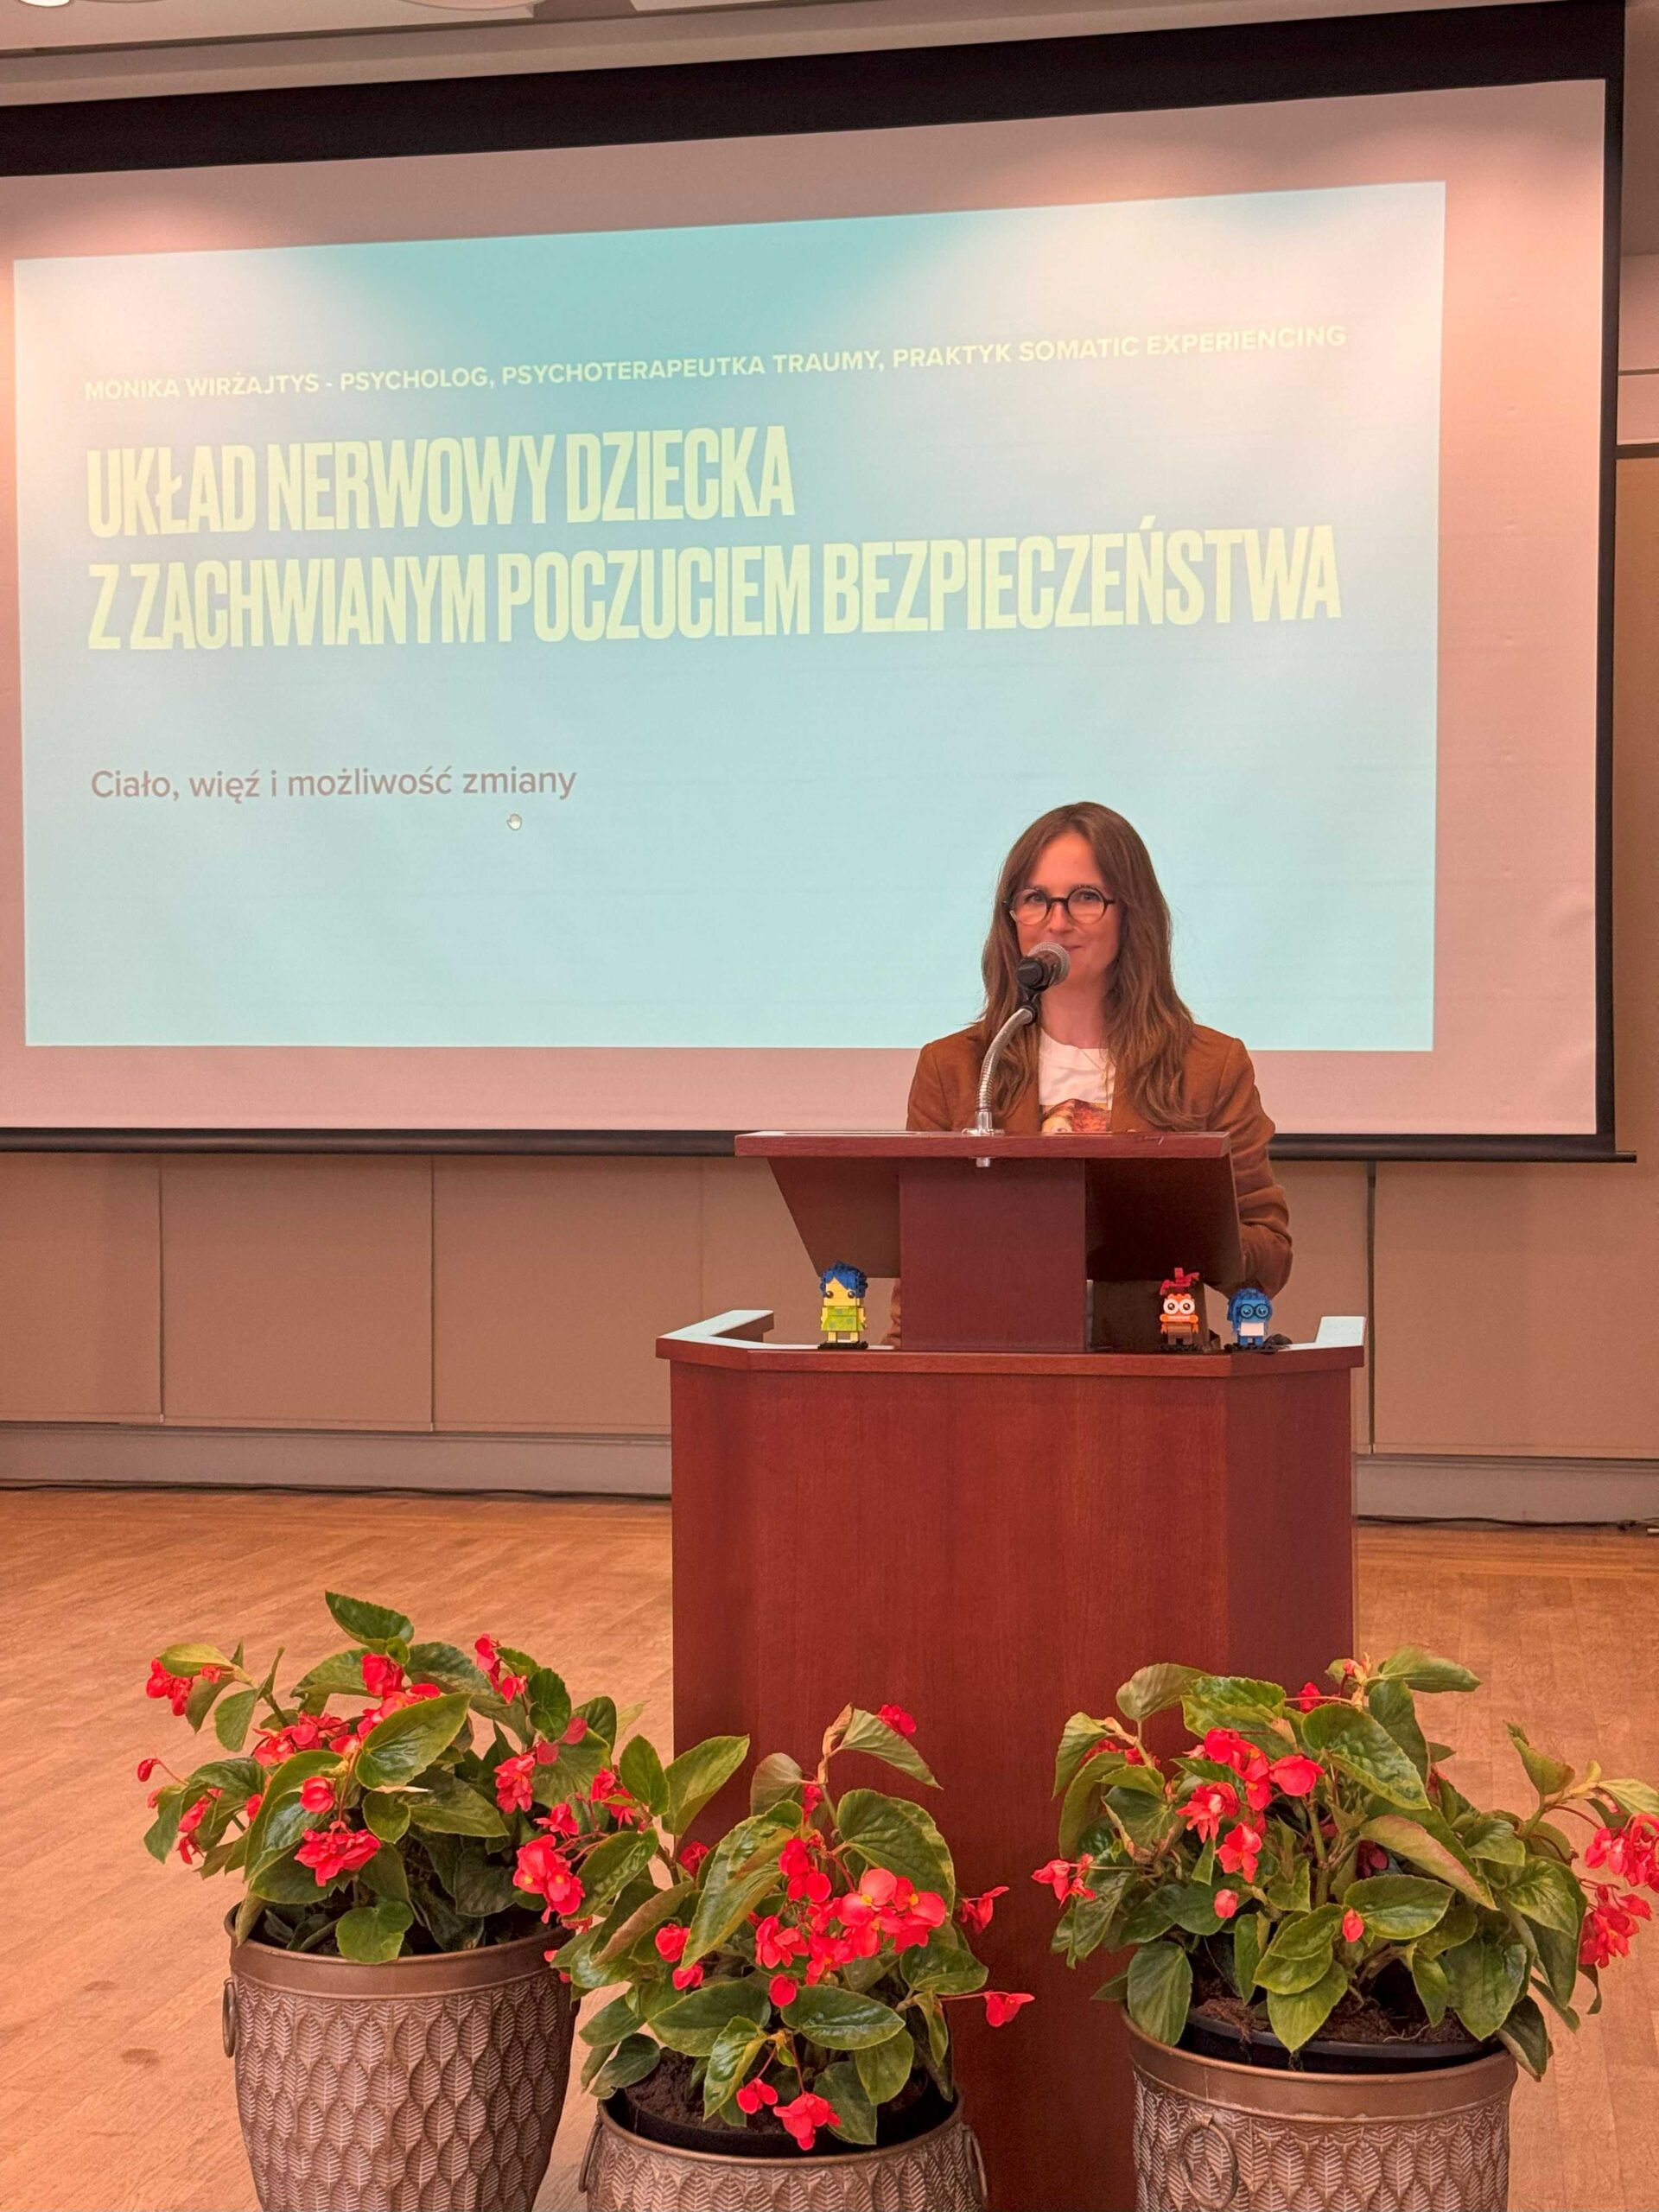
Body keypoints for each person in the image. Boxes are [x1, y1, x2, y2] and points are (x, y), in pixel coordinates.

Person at [906, 801, 1291, 1302]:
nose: (1057, 922)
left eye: (1085, 898)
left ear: (1131, 912)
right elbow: (919, 1261)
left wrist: (1191, 1230)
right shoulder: (956, 1068)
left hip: (1150, 1346)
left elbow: (1270, 1255)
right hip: (998, 1343)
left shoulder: (1208, 1067)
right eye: (1035, 898)